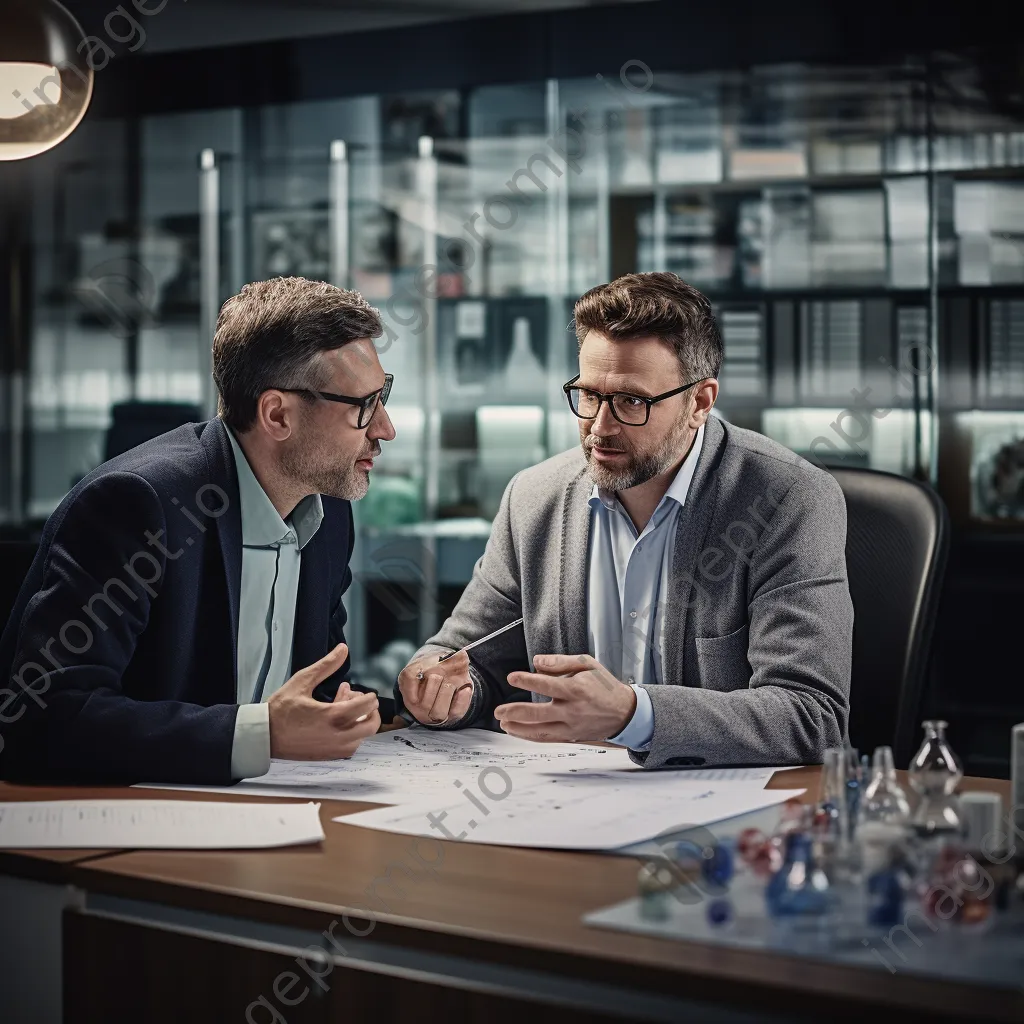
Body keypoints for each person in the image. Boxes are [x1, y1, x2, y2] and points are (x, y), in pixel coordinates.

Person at [398, 272, 853, 768]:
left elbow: (813, 718)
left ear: (699, 402)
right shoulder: (534, 498)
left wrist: (633, 715)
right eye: (589, 394)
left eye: (632, 401)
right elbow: (469, 658)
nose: (599, 426)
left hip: (722, 817)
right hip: (560, 802)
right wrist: (444, 692)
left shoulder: (786, 498)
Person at [0, 277, 395, 785]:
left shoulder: (326, 509)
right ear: (277, 415)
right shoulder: (138, 504)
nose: (385, 428)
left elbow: (312, 695)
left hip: (273, 807)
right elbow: (41, 717)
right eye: (363, 406)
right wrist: (262, 735)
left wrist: (405, 702)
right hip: (141, 822)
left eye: (382, 395)